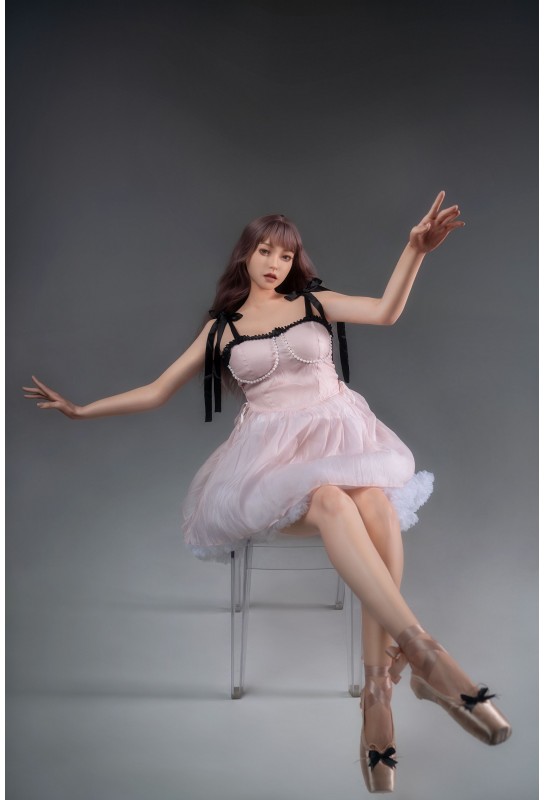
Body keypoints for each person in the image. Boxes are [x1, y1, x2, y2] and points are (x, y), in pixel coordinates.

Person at [23, 190, 511, 793]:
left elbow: (386, 311)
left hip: (345, 441)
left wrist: (415, 251)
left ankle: (378, 693)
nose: (275, 263)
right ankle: (426, 657)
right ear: (246, 256)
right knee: (329, 499)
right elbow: (156, 389)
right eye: (264, 251)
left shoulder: (312, 303)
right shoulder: (222, 329)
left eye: (286, 254)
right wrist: (81, 410)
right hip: (272, 466)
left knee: (375, 502)